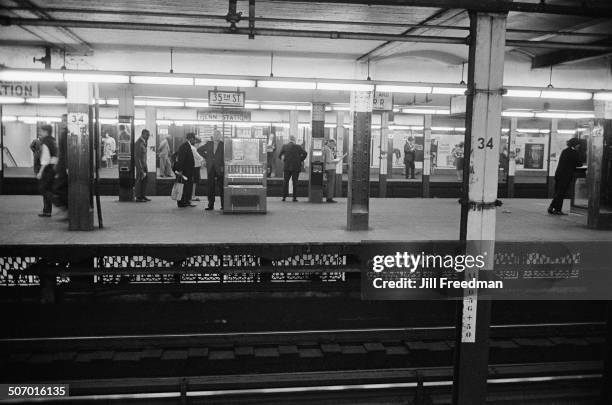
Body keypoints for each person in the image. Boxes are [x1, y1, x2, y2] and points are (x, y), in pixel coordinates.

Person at [548, 138, 582, 215]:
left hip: (559, 174)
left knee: (558, 192)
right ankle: (557, 210)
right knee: (561, 193)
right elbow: (579, 164)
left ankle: (551, 207)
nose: (579, 146)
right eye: (578, 144)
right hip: (566, 175)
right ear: (575, 144)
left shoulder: (565, 151)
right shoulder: (574, 153)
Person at [199, 130, 225, 210]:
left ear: (220, 136)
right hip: (210, 168)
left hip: (220, 169)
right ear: (213, 136)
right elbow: (199, 150)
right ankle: (210, 205)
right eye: (215, 135)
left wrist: (223, 164)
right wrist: (207, 158)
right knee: (210, 187)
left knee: (221, 187)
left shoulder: (223, 145)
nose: (216, 136)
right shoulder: (209, 143)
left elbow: (226, 155)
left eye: (218, 135)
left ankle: (223, 205)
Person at [36, 125, 58, 217]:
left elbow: (45, 159)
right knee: (48, 188)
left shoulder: (45, 142)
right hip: (53, 167)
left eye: (41, 131)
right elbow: (56, 155)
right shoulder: (53, 141)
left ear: (46, 132)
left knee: (43, 189)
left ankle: (57, 201)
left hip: (47, 168)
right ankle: (47, 211)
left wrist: (40, 172)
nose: (40, 133)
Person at [279, 135, 307, 202]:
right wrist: (300, 159)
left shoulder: (284, 146)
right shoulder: (298, 146)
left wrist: (283, 160)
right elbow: (305, 153)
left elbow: (279, 155)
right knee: (295, 182)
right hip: (296, 167)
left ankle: (284, 197)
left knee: (285, 182)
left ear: (289, 139)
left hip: (287, 167)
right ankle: (294, 198)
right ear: (294, 140)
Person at [174, 132, 197, 208]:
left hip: (188, 171)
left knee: (187, 187)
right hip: (185, 172)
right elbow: (181, 159)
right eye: (194, 140)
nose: (195, 141)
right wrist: (180, 170)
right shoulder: (184, 147)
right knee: (184, 187)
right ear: (191, 139)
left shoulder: (187, 146)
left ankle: (186, 201)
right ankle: (182, 202)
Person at [323, 139, 343, 203]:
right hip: (330, 169)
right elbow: (328, 161)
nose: (334, 146)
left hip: (328, 168)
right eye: (334, 144)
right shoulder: (328, 149)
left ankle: (329, 197)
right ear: (330, 143)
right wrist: (336, 160)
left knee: (329, 184)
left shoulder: (326, 148)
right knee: (330, 184)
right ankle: (329, 198)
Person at [134, 129, 150, 202]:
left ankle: (143, 196)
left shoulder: (144, 142)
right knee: (139, 181)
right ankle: (138, 197)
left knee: (144, 181)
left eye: (148, 135)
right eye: (147, 135)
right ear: (143, 134)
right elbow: (137, 158)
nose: (148, 137)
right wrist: (140, 169)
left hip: (144, 165)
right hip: (140, 166)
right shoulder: (138, 143)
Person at [191, 137, 204, 202]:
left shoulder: (192, 148)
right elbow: (198, 157)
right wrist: (203, 159)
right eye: (198, 144)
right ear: (196, 143)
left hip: (194, 167)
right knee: (194, 182)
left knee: (194, 182)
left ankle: (192, 195)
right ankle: (192, 196)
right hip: (195, 167)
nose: (199, 145)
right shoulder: (193, 148)